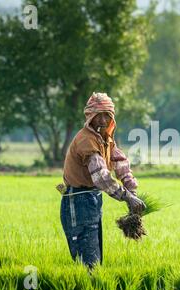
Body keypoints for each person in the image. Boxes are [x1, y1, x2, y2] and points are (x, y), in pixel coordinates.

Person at [60, 92, 145, 270]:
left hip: (92, 200)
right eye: (99, 115)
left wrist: (132, 190)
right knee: (89, 262)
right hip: (78, 200)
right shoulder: (86, 140)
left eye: (108, 115)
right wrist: (127, 197)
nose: (103, 120)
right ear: (90, 116)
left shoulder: (105, 139)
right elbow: (101, 177)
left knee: (95, 259)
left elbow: (121, 163)